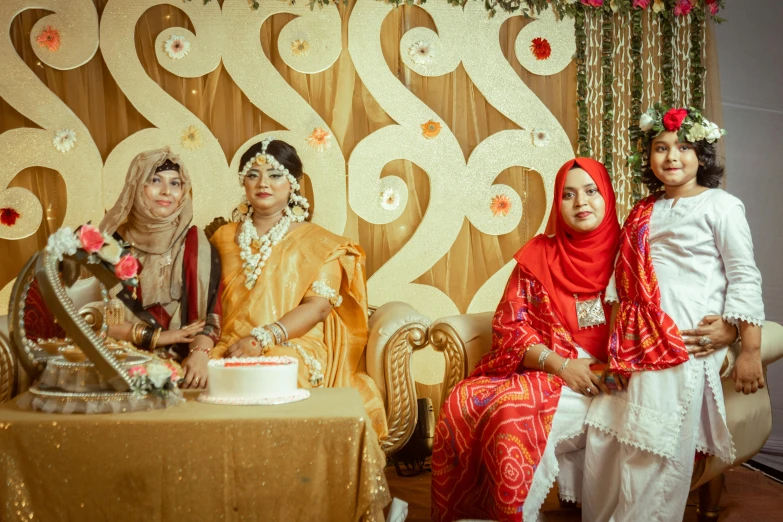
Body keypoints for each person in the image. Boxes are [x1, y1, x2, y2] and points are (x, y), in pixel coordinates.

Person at [582, 105, 765, 521]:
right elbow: (620, 283)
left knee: (653, 440)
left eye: (683, 147)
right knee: (610, 434)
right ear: (648, 160)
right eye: (660, 148)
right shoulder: (643, 212)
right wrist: (616, 350)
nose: (671, 156)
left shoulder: (721, 205)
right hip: (634, 341)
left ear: (701, 156)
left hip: (686, 341)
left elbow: (744, 275)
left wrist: (746, 344)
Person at [431, 158, 621, 522]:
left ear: (607, 196)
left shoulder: (631, 256)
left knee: (513, 412)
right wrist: (562, 366)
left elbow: (644, 333)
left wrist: (604, 373)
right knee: (470, 401)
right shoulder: (540, 255)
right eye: (568, 195)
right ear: (557, 204)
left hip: (613, 381)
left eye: (590, 191)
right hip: (551, 369)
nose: (580, 202)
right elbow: (510, 326)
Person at [210, 137, 387, 439]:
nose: (263, 183)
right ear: (244, 183)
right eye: (253, 174)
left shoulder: (319, 242)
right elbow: (208, 302)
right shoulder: (224, 237)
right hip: (231, 342)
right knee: (202, 375)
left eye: (275, 174)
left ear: (293, 184)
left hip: (294, 342)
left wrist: (262, 338)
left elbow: (318, 307)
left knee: (271, 373)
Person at [99, 147, 223, 389]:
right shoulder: (109, 246)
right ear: (136, 186)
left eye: (175, 183)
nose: (167, 191)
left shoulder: (196, 244)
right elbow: (101, 321)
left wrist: (199, 353)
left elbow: (212, 315)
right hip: (122, 361)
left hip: (185, 363)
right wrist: (159, 337)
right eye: (155, 181)